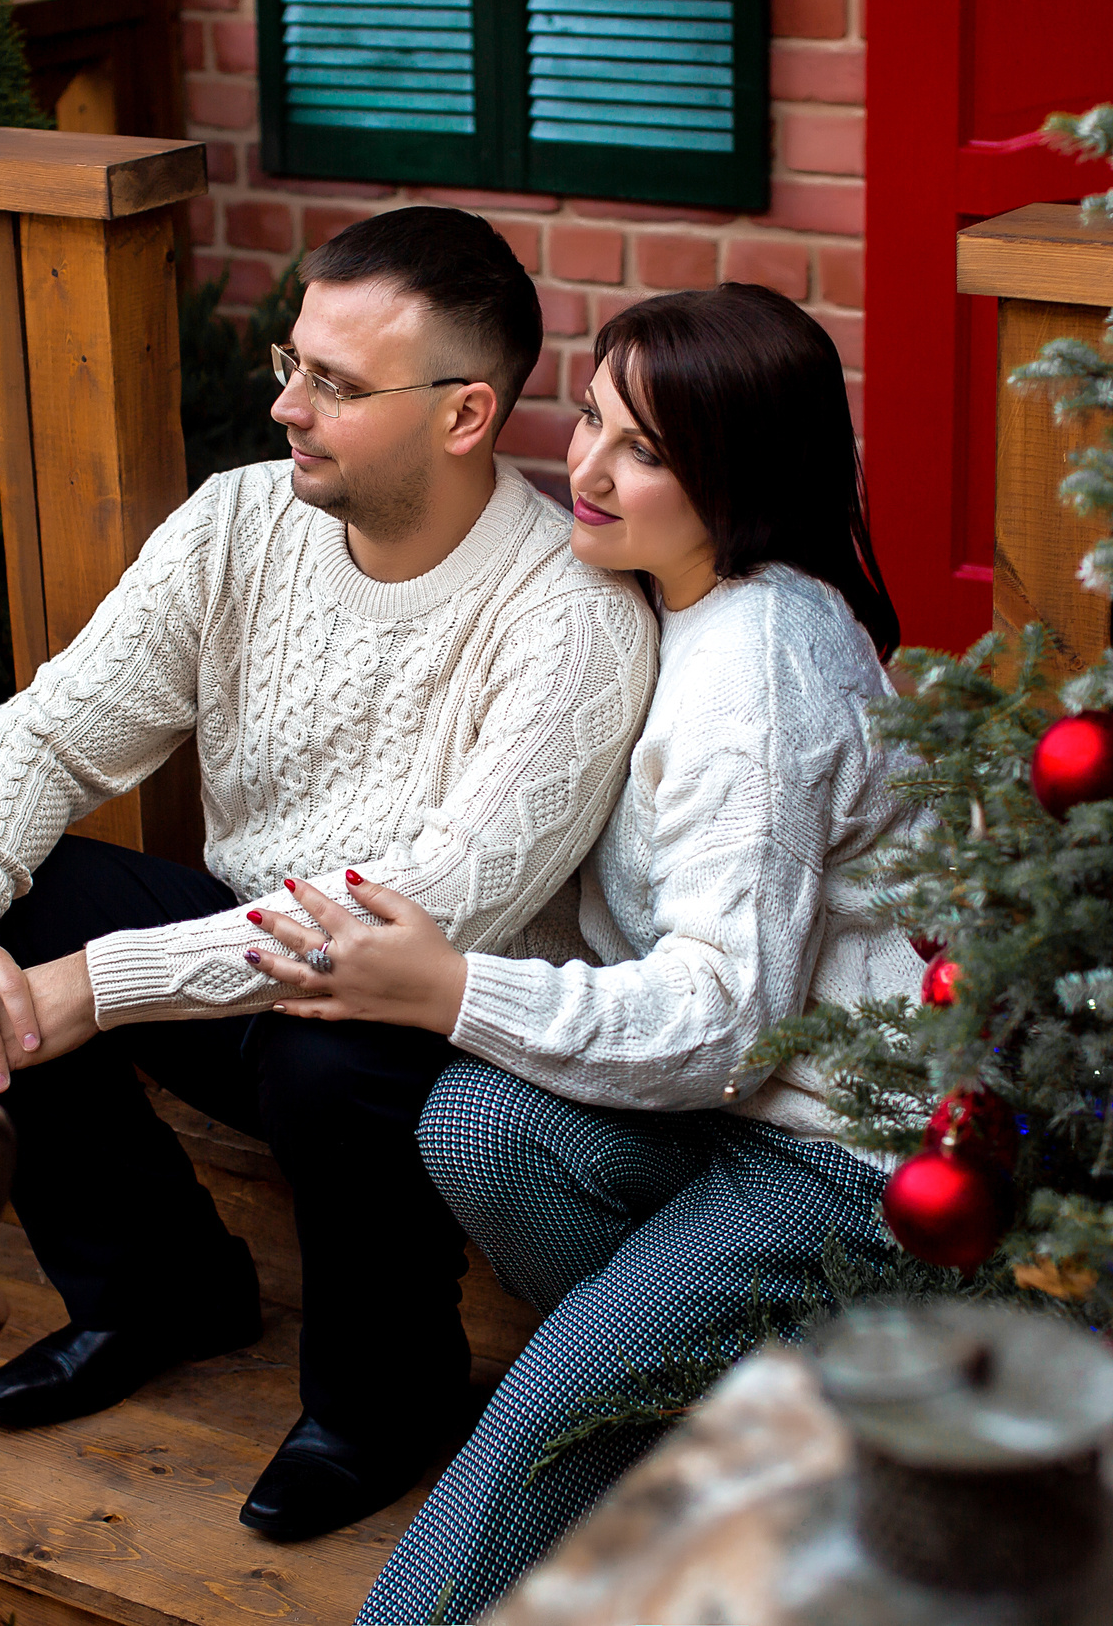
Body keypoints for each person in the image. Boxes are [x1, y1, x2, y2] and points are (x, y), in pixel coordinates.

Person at [0, 206, 656, 1543]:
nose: (287, 404)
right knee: (6, 891)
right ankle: (157, 1290)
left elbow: (401, 920)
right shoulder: (237, 523)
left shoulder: (571, 619)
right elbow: (49, 732)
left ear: (465, 414)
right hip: (246, 970)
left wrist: (96, 992)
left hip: (438, 1030)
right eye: (293, 363)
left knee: (325, 1047)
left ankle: (382, 1400)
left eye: (335, 385)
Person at [236, 283, 922, 1619]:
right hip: (724, 1119)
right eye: (597, 422)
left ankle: (639, 1410)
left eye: (646, 452)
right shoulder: (674, 600)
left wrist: (446, 985)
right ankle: (717, 1415)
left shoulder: (759, 673)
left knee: (537, 1418)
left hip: (842, 1157)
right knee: (483, 1124)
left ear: (742, 474)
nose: (589, 473)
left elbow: (729, 1021)